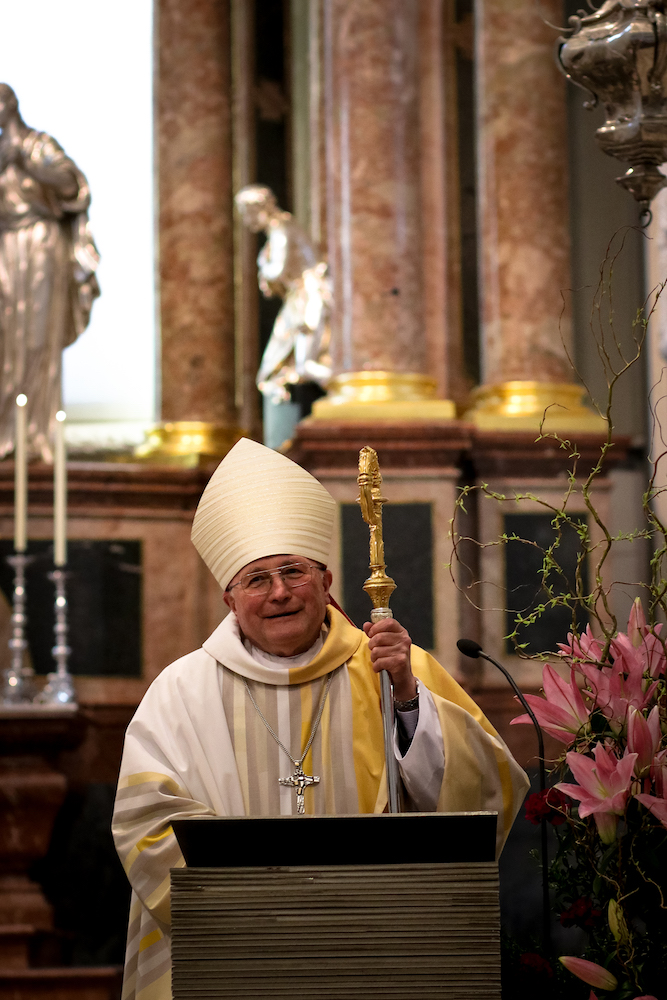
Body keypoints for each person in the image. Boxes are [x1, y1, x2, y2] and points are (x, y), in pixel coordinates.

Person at [112, 438, 529, 1000]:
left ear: (327, 582)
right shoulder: (180, 692)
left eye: (294, 571)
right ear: (230, 599)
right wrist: (261, 918)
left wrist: (407, 699)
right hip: (234, 958)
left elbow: (480, 793)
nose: (279, 592)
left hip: (374, 953)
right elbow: (145, 820)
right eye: (257, 579)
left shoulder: (395, 668)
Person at [0, 83, 100, 461]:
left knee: (37, 336)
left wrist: (26, 163)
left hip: (40, 244)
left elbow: (72, 186)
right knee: (6, 341)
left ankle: (36, 430)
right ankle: (6, 431)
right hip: (4, 247)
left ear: (10, 106)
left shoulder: (38, 145)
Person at [235, 184, 331, 402]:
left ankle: (348, 392)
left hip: (309, 298)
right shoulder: (281, 226)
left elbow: (278, 269)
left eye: (248, 214)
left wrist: (264, 273)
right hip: (300, 298)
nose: (247, 221)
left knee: (305, 365)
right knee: (283, 364)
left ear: (260, 208)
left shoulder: (280, 227)